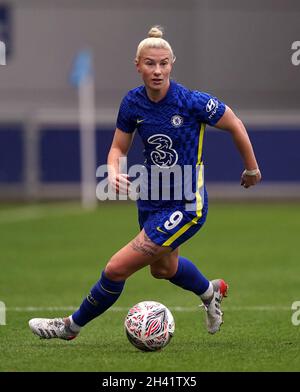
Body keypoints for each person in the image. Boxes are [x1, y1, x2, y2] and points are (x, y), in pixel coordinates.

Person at [29, 26, 261, 340]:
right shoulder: (132, 103)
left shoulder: (191, 102)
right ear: (138, 65)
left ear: (172, 64)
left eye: (164, 63)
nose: (157, 70)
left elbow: (234, 122)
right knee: (163, 269)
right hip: (151, 199)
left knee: (116, 268)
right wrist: (112, 169)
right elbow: (118, 148)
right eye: (150, 63)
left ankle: (70, 327)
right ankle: (210, 292)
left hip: (186, 203)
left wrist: (251, 169)